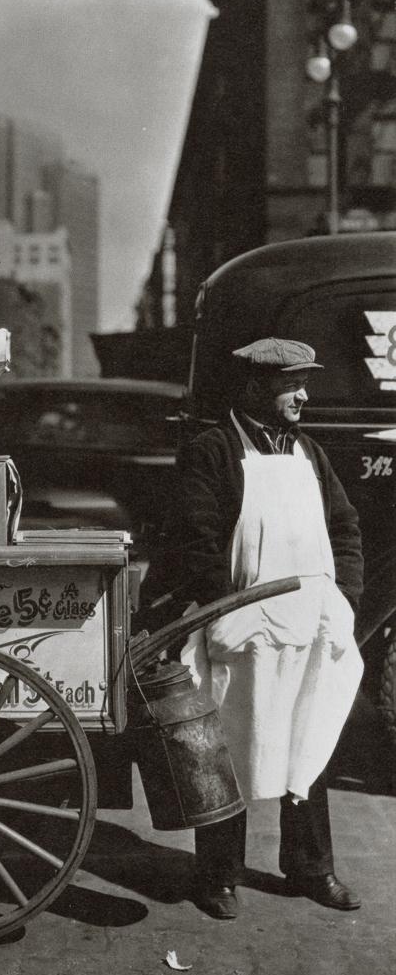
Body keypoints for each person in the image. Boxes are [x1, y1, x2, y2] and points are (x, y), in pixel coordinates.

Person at [164, 337, 364, 920]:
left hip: (309, 628)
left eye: (305, 382)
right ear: (256, 387)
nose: (303, 395)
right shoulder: (214, 450)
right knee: (228, 748)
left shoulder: (309, 454)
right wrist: (229, 607)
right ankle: (218, 875)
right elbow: (196, 541)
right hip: (242, 632)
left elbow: (344, 528)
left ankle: (310, 868)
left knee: (311, 741)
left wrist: (344, 597)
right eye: (291, 384)